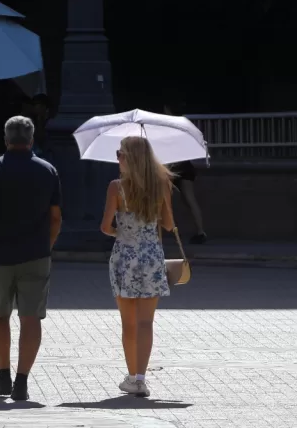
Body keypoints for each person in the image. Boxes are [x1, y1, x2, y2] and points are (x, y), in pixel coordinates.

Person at [0, 115, 62, 401]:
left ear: (6, 139)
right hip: (36, 254)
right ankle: (22, 382)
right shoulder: (48, 170)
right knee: (31, 317)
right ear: (31, 139)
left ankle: (3, 377)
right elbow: (56, 217)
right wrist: (46, 244)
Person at [99, 136, 175, 398]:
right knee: (146, 322)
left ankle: (132, 377)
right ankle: (141, 378)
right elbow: (168, 224)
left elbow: (105, 226)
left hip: (124, 258)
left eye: (120, 154)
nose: (117, 158)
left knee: (128, 323)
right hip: (152, 256)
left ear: (130, 158)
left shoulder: (116, 188)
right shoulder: (162, 184)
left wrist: (122, 231)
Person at [164, 104, 207, 244]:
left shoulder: (172, 128)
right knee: (189, 199)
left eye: (166, 111)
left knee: (164, 199)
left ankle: (159, 231)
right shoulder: (182, 128)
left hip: (175, 167)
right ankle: (200, 232)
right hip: (182, 166)